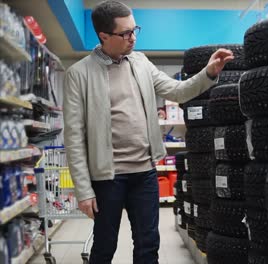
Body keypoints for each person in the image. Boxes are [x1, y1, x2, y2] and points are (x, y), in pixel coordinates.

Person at [62, 1, 234, 263]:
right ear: (104, 36)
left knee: (148, 244)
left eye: (134, 29)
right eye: (125, 33)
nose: (133, 38)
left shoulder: (141, 62)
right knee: (105, 246)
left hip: (144, 173)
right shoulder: (79, 74)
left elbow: (178, 91)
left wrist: (208, 72)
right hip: (107, 178)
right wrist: (83, 190)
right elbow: (73, 136)